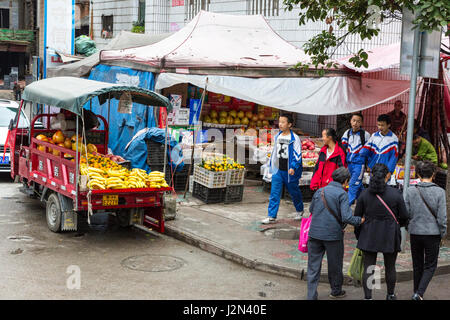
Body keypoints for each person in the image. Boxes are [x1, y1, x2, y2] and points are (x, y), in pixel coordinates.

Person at [306, 167, 364, 300]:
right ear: (345, 181)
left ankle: (311, 295)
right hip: (333, 236)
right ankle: (336, 291)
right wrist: (360, 220)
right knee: (335, 265)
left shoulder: (320, 190)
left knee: (313, 266)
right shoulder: (342, 194)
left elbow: (311, 209)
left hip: (314, 234)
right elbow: (346, 217)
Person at [354, 163, 409, 300]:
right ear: (388, 176)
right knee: (390, 266)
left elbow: (357, 217)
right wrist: (397, 225)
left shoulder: (364, 194)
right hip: (390, 233)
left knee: (369, 266)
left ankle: (368, 296)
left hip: (369, 232)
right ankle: (390, 294)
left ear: (372, 175)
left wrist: (358, 234)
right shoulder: (395, 194)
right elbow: (404, 216)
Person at [404, 161, 447, 300]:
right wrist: (443, 232)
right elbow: (442, 217)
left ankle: (416, 292)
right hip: (433, 234)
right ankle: (419, 293)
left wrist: (409, 227)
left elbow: (406, 214)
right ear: (433, 174)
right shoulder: (440, 192)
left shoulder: (410, 191)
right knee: (430, 265)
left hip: (415, 232)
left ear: (418, 174)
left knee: (417, 264)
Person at [262, 113, 304, 224]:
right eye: (279, 122)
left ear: (289, 124)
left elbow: (297, 155)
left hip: (290, 171)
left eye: (283, 122)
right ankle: (271, 215)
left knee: (294, 191)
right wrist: (271, 165)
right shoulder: (277, 136)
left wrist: (293, 167)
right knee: (274, 192)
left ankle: (300, 210)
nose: (280, 124)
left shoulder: (294, 138)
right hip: (278, 169)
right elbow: (274, 152)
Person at [341, 113, 371, 205]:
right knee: (359, 186)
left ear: (361, 123)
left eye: (358, 121)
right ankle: (366, 205)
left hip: (359, 164)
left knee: (353, 185)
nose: (355, 123)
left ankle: (345, 208)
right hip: (349, 163)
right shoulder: (347, 133)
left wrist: (369, 165)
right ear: (350, 121)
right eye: (354, 120)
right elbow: (342, 147)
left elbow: (370, 151)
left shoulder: (365, 135)